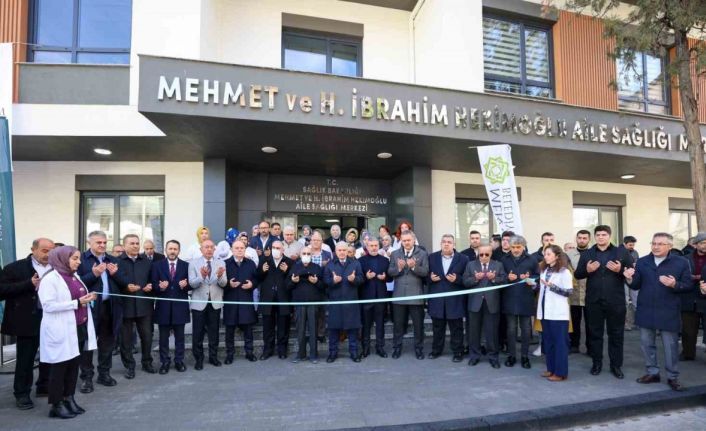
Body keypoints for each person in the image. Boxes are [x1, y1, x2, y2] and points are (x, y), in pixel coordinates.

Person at [624, 232, 692, 391]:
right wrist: (629, 278)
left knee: (670, 346)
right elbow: (636, 285)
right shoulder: (642, 262)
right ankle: (652, 373)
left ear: (670, 246)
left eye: (660, 244)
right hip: (646, 309)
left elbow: (688, 285)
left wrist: (674, 284)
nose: (656, 247)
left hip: (668, 310)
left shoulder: (681, 262)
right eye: (653, 243)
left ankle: (672, 377)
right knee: (647, 344)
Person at [39, 246, 97, 418]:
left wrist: (87, 298)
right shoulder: (50, 279)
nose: (79, 262)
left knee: (73, 367)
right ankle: (56, 405)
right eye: (75, 258)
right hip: (61, 330)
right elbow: (48, 305)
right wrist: (77, 303)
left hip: (78, 327)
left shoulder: (74, 276)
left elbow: (79, 297)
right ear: (63, 259)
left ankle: (69, 398)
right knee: (59, 369)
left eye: (79, 258)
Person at [574, 225, 633, 379]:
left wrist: (620, 270)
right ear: (594, 237)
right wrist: (587, 270)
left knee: (616, 334)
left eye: (604, 234)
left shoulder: (621, 252)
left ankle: (616, 365)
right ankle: (596, 363)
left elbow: (631, 272)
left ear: (609, 236)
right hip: (594, 300)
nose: (600, 237)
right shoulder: (588, 253)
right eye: (598, 235)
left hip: (616, 300)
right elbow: (578, 274)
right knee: (595, 334)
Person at [1, 238, 54, 410]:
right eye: (45, 250)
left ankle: (44, 386)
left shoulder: (57, 267)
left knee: (49, 356)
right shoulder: (15, 268)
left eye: (52, 250)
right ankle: (22, 393)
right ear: (33, 249)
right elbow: (2, 291)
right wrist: (28, 284)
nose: (49, 254)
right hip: (27, 320)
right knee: (26, 360)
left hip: (51, 319)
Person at [77, 231, 120, 394]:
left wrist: (116, 274)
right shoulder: (80, 260)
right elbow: (76, 284)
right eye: (98, 242)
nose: (102, 245)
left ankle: (104, 373)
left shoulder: (112, 260)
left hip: (110, 307)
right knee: (88, 343)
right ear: (89, 243)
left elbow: (123, 283)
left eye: (104, 242)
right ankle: (86, 377)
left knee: (107, 342)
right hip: (90, 308)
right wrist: (94, 274)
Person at [113, 234, 155, 379]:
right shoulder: (117, 262)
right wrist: (125, 288)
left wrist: (151, 286)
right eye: (132, 243)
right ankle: (129, 366)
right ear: (124, 245)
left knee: (147, 337)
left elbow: (152, 280)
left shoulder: (147, 261)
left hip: (144, 306)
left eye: (137, 243)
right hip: (125, 306)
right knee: (126, 340)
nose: (135, 246)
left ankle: (147, 362)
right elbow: (113, 284)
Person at [463, 244, 507, 368]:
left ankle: (493, 357)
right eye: (481, 254)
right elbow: (465, 281)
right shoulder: (470, 265)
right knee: (474, 332)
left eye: (486, 254)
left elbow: (504, 280)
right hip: (475, 303)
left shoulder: (498, 265)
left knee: (492, 332)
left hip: (491, 303)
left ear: (491, 254)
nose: (483, 257)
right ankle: (474, 356)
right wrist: (475, 279)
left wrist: (494, 279)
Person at [427, 234, 469, 362]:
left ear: (454, 244)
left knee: (456, 328)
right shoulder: (432, 257)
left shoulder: (463, 259)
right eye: (444, 242)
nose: (446, 244)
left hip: (455, 300)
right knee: (437, 328)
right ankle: (436, 350)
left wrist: (458, 279)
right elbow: (424, 276)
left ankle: (458, 352)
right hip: (437, 300)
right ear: (440, 243)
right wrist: (430, 278)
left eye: (449, 242)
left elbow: (468, 279)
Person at [388, 230, 429, 360]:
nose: (406, 243)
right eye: (404, 240)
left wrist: (414, 267)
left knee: (418, 325)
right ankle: (397, 348)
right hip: (399, 296)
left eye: (408, 240)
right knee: (398, 325)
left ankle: (419, 349)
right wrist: (399, 269)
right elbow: (390, 272)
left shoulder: (422, 253)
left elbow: (425, 272)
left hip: (416, 296)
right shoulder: (395, 254)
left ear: (413, 240)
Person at [151, 240, 190, 374]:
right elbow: (153, 285)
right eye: (170, 249)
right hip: (163, 308)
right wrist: (159, 287)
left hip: (180, 307)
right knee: (163, 338)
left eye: (175, 249)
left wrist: (186, 285)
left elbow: (191, 284)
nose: (172, 251)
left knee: (180, 338)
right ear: (166, 250)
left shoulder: (186, 265)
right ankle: (165, 362)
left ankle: (179, 361)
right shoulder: (157, 265)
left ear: (179, 251)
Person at [501, 235, 539, 369]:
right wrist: (507, 278)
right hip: (509, 298)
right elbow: (499, 277)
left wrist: (530, 279)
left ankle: (524, 356)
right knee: (511, 329)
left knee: (526, 329)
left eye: (518, 247)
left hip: (526, 298)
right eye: (513, 247)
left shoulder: (532, 259)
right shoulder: (504, 260)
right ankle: (511, 355)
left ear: (523, 246)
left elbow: (538, 276)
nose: (516, 250)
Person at [188, 239, 227, 370]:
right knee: (197, 333)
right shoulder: (193, 263)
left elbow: (224, 283)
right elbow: (192, 283)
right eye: (206, 247)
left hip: (215, 303)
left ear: (215, 249)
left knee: (214, 332)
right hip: (199, 303)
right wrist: (202, 277)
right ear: (201, 249)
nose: (209, 249)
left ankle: (213, 357)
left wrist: (220, 276)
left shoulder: (221, 263)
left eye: (211, 247)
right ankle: (199, 359)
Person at [537, 245, 573, 382]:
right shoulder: (544, 270)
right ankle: (551, 369)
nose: (545, 256)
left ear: (557, 256)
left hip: (558, 313)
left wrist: (552, 286)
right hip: (545, 311)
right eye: (544, 254)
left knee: (560, 344)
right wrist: (533, 285)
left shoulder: (565, 272)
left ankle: (561, 372)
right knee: (548, 342)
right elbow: (542, 289)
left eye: (548, 254)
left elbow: (568, 292)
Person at [323, 242, 364, 363]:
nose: (341, 252)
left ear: (347, 251)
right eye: (339, 250)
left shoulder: (355, 263)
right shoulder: (330, 264)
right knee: (334, 330)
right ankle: (332, 353)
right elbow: (325, 281)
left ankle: (354, 353)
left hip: (351, 301)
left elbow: (361, 279)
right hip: (335, 302)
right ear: (335, 251)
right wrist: (333, 281)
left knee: (352, 329)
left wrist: (354, 279)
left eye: (344, 250)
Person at [257, 241, 293, 360]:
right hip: (268, 298)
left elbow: (293, 281)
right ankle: (268, 350)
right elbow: (258, 277)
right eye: (274, 247)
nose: (276, 250)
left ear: (283, 250)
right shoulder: (264, 260)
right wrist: (262, 270)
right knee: (268, 327)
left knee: (283, 326)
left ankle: (282, 350)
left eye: (278, 248)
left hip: (283, 299)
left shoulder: (289, 262)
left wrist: (287, 271)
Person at [224, 240, 259, 363]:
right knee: (229, 331)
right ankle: (229, 354)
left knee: (248, 330)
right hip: (231, 301)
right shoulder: (225, 263)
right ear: (232, 250)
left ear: (245, 249)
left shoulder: (251, 263)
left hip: (246, 300)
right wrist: (228, 284)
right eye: (237, 248)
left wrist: (252, 284)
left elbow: (256, 279)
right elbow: (220, 283)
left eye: (242, 248)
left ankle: (249, 353)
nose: (239, 250)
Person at [288, 247, 324, 363]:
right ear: (300, 254)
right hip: (299, 303)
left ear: (312, 255)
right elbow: (287, 286)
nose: (306, 255)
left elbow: (323, 286)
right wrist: (293, 281)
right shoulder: (295, 267)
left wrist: (316, 282)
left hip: (313, 303)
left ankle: (314, 355)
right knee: (300, 330)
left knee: (313, 329)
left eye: (308, 253)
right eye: (304, 253)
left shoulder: (317, 267)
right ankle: (301, 354)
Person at [358, 238, 391, 358]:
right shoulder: (361, 260)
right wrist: (366, 277)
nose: (374, 248)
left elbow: (390, 278)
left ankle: (380, 347)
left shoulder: (385, 260)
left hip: (381, 297)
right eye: (371, 245)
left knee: (380, 324)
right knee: (366, 325)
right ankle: (365, 348)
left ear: (379, 246)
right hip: (366, 297)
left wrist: (385, 278)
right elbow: (358, 280)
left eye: (376, 245)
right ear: (367, 247)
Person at [679, 232, 706, 361]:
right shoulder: (685, 258)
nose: (705, 245)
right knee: (688, 329)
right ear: (696, 245)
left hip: (705, 297)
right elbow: (680, 274)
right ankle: (688, 353)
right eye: (702, 243)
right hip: (689, 297)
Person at [567, 230, 591, 354]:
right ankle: (574, 345)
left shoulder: (594, 253)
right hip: (574, 293)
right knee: (574, 321)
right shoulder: (568, 254)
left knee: (591, 323)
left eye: (584, 238)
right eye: (579, 238)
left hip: (590, 293)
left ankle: (590, 347)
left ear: (589, 239)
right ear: (576, 239)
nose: (582, 240)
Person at [310, 231, 332, 342]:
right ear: (310, 241)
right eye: (314, 240)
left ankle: (321, 334)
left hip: (323, 287)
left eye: (318, 240)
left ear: (321, 242)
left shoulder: (327, 254)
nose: (316, 242)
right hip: (309, 287)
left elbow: (331, 269)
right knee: (310, 312)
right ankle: (311, 334)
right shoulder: (306, 252)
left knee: (322, 312)